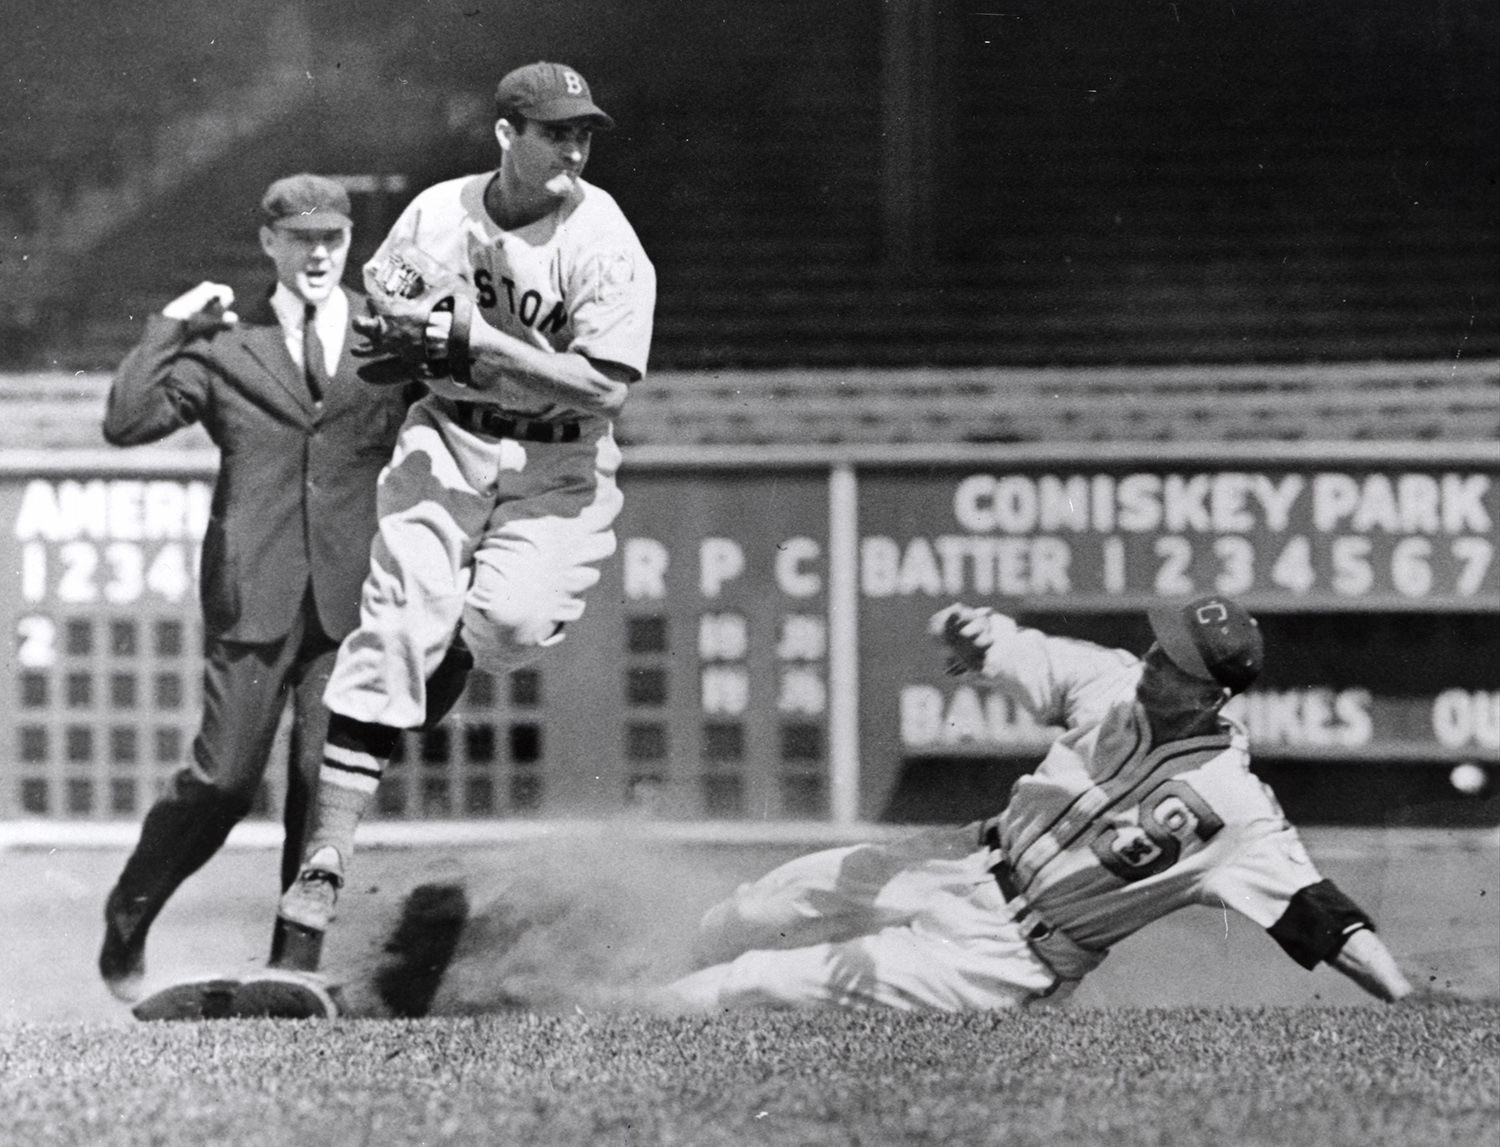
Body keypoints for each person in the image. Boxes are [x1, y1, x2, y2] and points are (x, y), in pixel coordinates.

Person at [270, 61, 657, 973]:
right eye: (554, 130)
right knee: (397, 619)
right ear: (504, 136)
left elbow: (606, 386)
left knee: (509, 623)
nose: (572, 146)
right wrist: (402, 333)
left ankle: (413, 690)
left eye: (582, 132)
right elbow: (388, 311)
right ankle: (321, 870)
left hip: (559, 458)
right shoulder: (437, 213)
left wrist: (477, 338)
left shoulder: (603, 240)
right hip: (446, 435)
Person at [663, 596, 1415, 1011]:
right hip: (963, 856)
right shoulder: (1113, 683)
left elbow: (1322, 914)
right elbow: (1025, 653)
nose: (1156, 664)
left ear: (1213, 695)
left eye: (1177, 665)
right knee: (767, 901)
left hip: (1004, 955)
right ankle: (639, 970)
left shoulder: (1238, 812)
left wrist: (1404, 998)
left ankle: (623, 1017)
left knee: (757, 982)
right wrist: (980, 635)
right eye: (1161, 647)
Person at [98, 174, 415, 1003]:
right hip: (255, 594)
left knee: (321, 783)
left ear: (350, 243)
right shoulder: (226, 349)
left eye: (333, 239)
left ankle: (292, 967)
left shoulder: (389, 342)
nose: (318, 254)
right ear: (269, 243)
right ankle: (128, 914)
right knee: (224, 780)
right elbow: (128, 420)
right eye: (301, 238)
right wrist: (170, 325)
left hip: (350, 601)